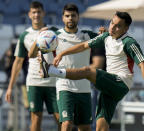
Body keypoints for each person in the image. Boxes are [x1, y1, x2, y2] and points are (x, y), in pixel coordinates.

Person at [36, 11, 144, 131]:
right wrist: (62, 53)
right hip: (109, 86)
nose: (113, 27)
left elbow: (142, 64)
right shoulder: (106, 37)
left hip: (120, 82)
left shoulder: (129, 42)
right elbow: (84, 45)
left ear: (125, 29)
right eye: (112, 23)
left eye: (118, 26)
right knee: (101, 127)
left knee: (88, 71)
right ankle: (51, 71)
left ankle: (51, 71)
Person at [30, 3, 101, 131]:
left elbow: (107, 40)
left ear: (78, 17)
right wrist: (40, 55)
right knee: (66, 124)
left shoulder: (87, 35)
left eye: (73, 15)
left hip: (84, 88)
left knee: (85, 127)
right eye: (67, 16)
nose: (70, 18)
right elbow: (40, 61)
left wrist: (104, 33)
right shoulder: (53, 36)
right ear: (63, 18)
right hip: (64, 87)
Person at [5, 1, 60, 131]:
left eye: (39, 12)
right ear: (29, 14)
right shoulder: (25, 35)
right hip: (34, 82)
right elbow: (18, 62)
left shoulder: (54, 32)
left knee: (61, 120)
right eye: (34, 12)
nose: (36, 15)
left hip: (54, 82)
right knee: (35, 118)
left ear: (44, 13)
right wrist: (10, 87)